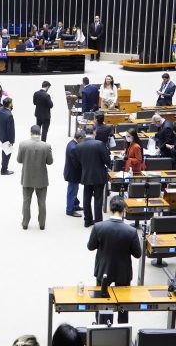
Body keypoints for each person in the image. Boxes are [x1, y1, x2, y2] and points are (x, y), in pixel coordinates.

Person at [87, 195, 141, 324]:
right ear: (124, 210)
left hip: (104, 270)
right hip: (123, 273)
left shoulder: (98, 227)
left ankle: (102, 326)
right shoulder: (131, 231)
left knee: (102, 302)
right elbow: (137, 254)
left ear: (111, 209)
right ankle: (122, 328)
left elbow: (90, 246)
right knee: (123, 304)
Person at [17, 125, 54, 230]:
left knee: (26, 201)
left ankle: (25, 223)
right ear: (40, 133)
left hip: (27, 178)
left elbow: (19, 160)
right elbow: (50, 162)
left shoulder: (23, 145)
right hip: (41, 179)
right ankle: (42, 224)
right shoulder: (46, 146)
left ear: (30, 132)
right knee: (42, 202)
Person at [75, 130, 112, 227]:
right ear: (94, 133)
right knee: (98, 199)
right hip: (99, 176)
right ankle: (98, 222)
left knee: (86, 198)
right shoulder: (99, 144)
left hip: (86, 175)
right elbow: (107, 160)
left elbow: (78, 162)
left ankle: (87, 221)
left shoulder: (78, 146)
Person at [63, 129, 84, 217]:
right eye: (83, 139)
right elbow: (76, 163)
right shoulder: (74, 148)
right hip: (72, 174)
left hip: (71, 172)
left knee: (74, 190)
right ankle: (70, 210)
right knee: (72, 191)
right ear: (79, 138)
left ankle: (75, 205)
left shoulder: (72, 143)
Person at [0, 97, 15, 175]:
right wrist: (11, 141)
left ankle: (3, 163)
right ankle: (4, 170)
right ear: (10, 104)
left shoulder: (1, 109)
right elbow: (10, 130)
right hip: (7, 138)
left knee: (4, 150)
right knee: (7, 153)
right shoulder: (9, 116)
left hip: (2, 135)